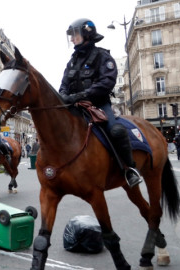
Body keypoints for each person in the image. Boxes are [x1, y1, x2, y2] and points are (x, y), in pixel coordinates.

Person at [59, 18, 141, 187]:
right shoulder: (73, 60)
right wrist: (63, 96)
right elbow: (64, 84)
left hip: (99, 105)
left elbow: (106, 83)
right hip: (75, 107)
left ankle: (129, 169)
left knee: (116, 130)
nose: (72, 39)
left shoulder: (103, 56)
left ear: (86, 34)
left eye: (75, 35)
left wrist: (78, 96)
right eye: (71, 36)